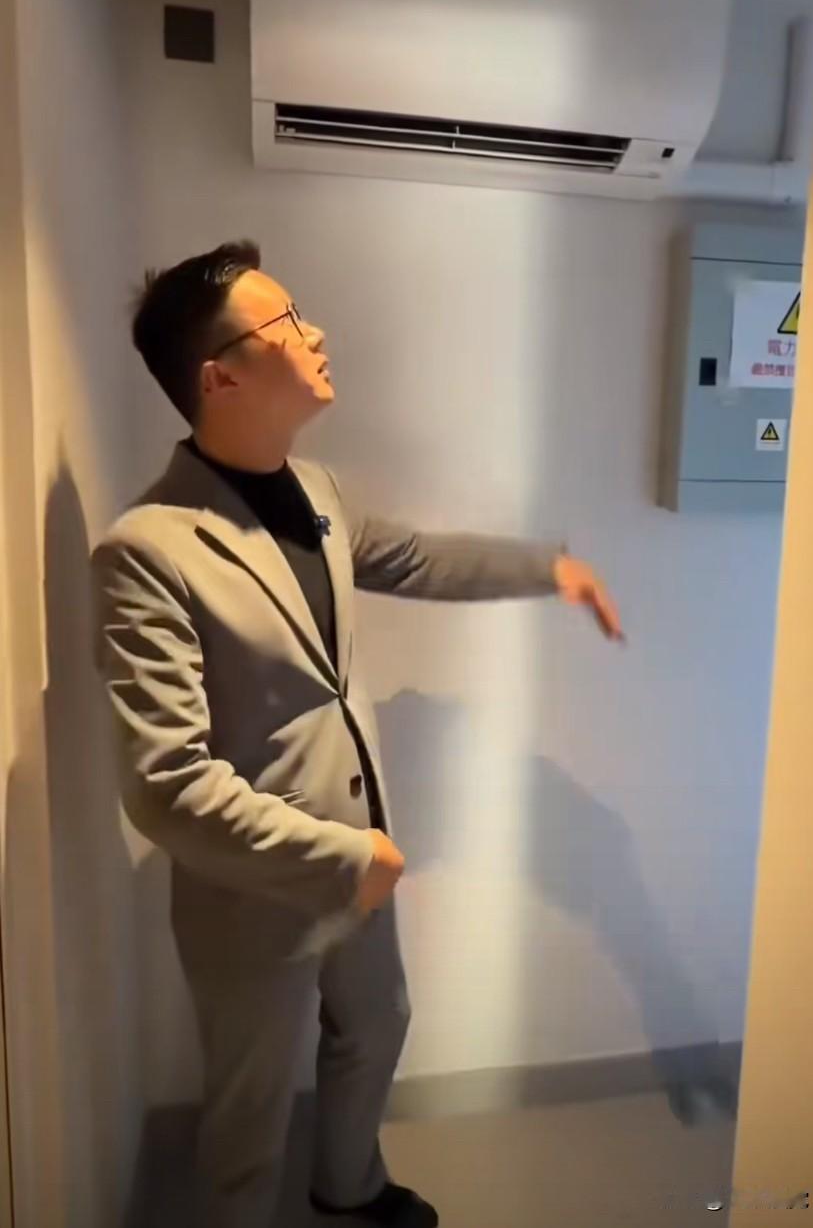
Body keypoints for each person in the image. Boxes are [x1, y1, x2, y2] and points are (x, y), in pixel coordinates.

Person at [91, 241, 623, 1228]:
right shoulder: (146, 550)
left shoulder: (320, 493)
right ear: (219, 377)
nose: (316, 331)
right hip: (258, 883)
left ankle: (350, 1188)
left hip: (362, 853)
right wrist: (346, 857)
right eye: (285, 322)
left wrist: (547, 569)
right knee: (249, 1105)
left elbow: (416, 557)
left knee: (375, 1027)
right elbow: (165, 783)